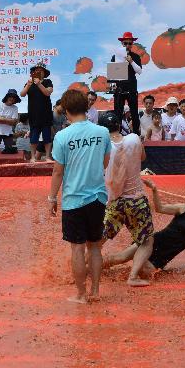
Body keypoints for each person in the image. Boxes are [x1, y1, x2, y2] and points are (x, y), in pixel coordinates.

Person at [48, 89, 112, 304]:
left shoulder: (62, 136)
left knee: (76, 248)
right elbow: (105, 163)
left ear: (66, 110)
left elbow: (58, 171)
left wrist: (51, 198)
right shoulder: (102, 132)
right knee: (94, 246)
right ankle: (95, 290)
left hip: (73, 200)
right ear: (86, 107)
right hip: (98, 198)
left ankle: (81, 295)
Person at [97, 112, 154, 287]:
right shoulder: (134, 139)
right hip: (136, 199)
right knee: (147, 240)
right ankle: (133, 276)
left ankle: (84, 267)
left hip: (113, 201)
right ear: (119, 125)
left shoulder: (102, 146)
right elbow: (143, 157)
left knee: (97, 242)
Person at [21, 62, 55, 162]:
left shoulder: (47, 82)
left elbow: (47, 92)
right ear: (33, 72)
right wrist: (28, 85)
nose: (38, 72)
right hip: (33, 114)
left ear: (44, 73)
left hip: (46, 114)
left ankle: (48, 157)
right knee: (34, 138)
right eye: (36, 70)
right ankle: (32, 157)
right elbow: (22, 94)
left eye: (41, 70)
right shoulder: (29, 82)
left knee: (47, 138)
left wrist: (39, 83)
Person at [111, 31, 143, 135]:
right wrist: (113, 87)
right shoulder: (116, 56)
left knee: (134, 112)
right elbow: (112, 75)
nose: (128, 45)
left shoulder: (136, 56)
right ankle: (116, 134)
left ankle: (136, 135)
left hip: (131, 88)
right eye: (126, 43)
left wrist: (131, 61)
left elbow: (139, 71)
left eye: (130, 43)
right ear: (122, 44)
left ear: (132, 44)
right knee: (118, 113)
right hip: (119, 89)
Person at [0, 88, 20, 154]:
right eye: (10, 96)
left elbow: (14, 122)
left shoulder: (15, 108)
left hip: (8, 132)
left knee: (9, 151)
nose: (12, 98)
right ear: (7, 97)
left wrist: (1, 119)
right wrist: (8, 121)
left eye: (14, 97)